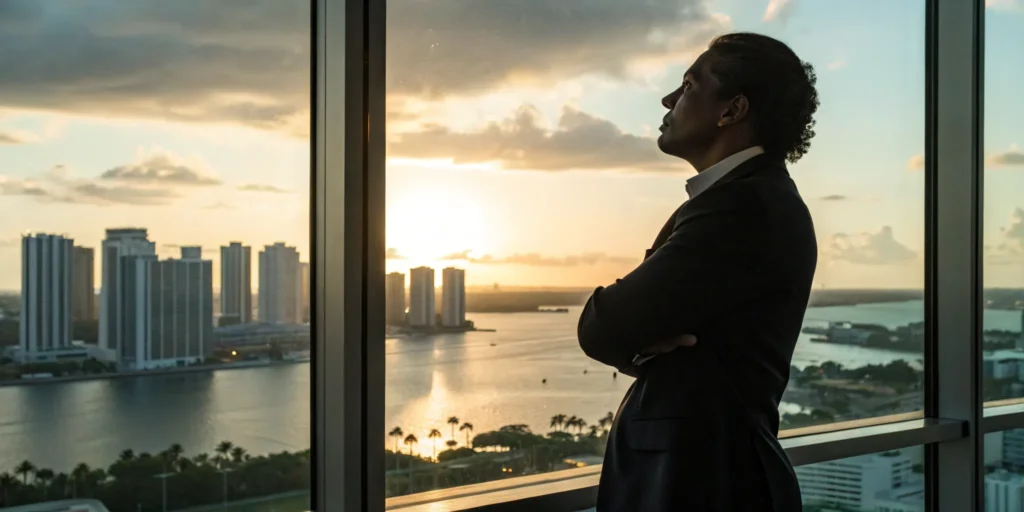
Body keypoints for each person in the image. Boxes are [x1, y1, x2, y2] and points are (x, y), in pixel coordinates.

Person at [577, 32, 820, 511]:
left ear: (732, 110)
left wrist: (634, 338)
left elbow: (603, 326)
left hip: (700, 485)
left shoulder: (743, 206)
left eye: (688, 85)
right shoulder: (746, 199)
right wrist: (644, 339)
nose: (668, 99)